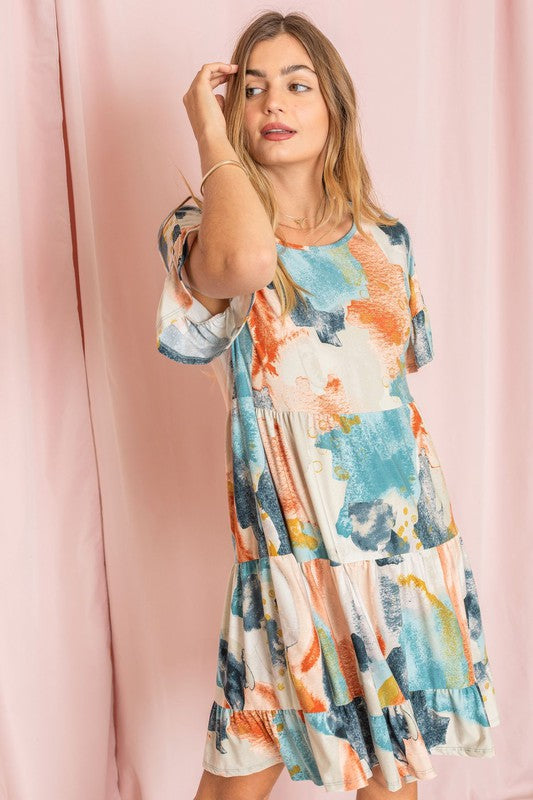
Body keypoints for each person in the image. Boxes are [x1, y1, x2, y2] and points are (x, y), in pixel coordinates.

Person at [155, 11, 500, 800]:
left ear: (333, 106)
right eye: (251, 89)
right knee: (239, 769)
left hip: (399, 546)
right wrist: (208, 136)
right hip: (290, 550)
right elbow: (244, 262)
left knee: (389, 771)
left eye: (296, 84)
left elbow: (393, 391)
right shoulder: (200, 228)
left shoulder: (388, 240)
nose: (273, 102)